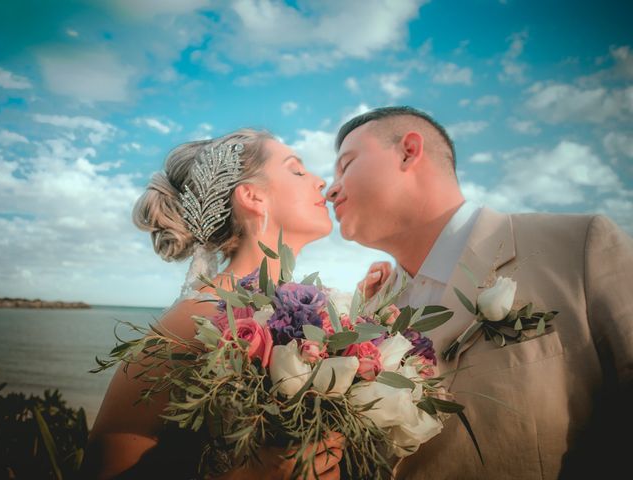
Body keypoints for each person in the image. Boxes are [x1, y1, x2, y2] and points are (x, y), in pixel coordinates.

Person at [326, 106, 633, 479]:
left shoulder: (578, 247)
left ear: (408, 151)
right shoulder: (368, 319)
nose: (331, 189)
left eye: (346, 164)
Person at [82, 128, 345, 479]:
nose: (319, 181)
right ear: (252, 196)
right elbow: (104, 462)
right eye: (297, 170)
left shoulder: (317, 310)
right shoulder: (199, 316)